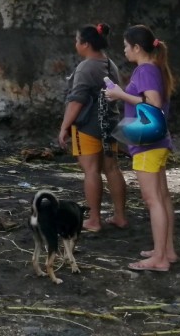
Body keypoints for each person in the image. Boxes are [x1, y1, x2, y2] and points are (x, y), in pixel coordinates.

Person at [105, 24, 177, 272]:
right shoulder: (153, 69)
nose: (124, 51)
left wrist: (120, 95)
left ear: (137, 47)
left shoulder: (145, 70)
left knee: (152, 199)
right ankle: (166, 250)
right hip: (158, 142)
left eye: (126, 46)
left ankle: (159, 259)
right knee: (162, 197)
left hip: (148, 143)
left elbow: (152, 103)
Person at [58, 23, 128, 232]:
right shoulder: (110, 64)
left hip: (88, 126)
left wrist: (64, 127)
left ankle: (94, 219)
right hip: (110, 123)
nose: (75, 44)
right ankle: (120, 216)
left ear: (86, 44)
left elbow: (76, 101)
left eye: (77, 40)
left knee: (91, 170)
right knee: (112, 168)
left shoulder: (85, 68)